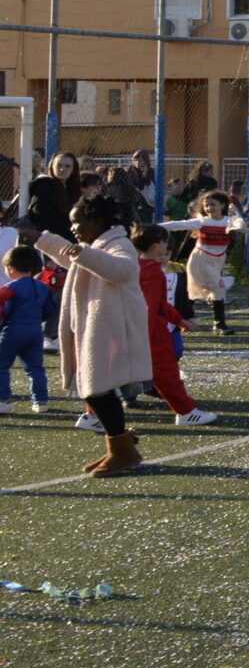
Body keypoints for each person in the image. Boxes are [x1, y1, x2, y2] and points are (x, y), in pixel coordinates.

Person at [38, 195, 155, 476]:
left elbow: (122, 270)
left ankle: (122, 449)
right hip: (98, 329)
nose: (73, 228)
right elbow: (76, 259)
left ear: (97, 221)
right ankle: (120, 446)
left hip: (114, 332)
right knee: (95, 388)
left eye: (77, 222)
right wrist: (41, 240)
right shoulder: (96, 246)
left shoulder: (120, 244)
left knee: (96, 388)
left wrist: (80, 253)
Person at [132, 226, 215, 426]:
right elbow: (153, 306)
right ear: (155, 246)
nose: (166, 246)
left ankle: (93, 414)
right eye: (163, 242)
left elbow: (159, 304)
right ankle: (186, 412)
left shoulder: (135, 265)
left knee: (116, 373)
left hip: (135, 329)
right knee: (166, 373)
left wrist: (179, 320)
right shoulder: (153, 272)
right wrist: (146, 336)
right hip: (152, 333)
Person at [175, 190, 240, 334]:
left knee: (195, 291)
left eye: (213, 204)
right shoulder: (202, 222)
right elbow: (178, 224)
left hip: (217, 261)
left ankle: (183, 320)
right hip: (199, 259)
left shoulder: (229, 221)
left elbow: (244, 227)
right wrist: (156, 226)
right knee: (215, 287)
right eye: (206, 205)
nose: (209, 208)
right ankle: (219, 324)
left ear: (222, 205)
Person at [0, 244, 52, 412]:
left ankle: (3, 400)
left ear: (11, 268)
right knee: (35, 368)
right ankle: (40, 401)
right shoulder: (42, 287)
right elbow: (49, 310)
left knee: (1, 365)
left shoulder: (11, 288)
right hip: (35, 331)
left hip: (13, 330)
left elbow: (4, 310)